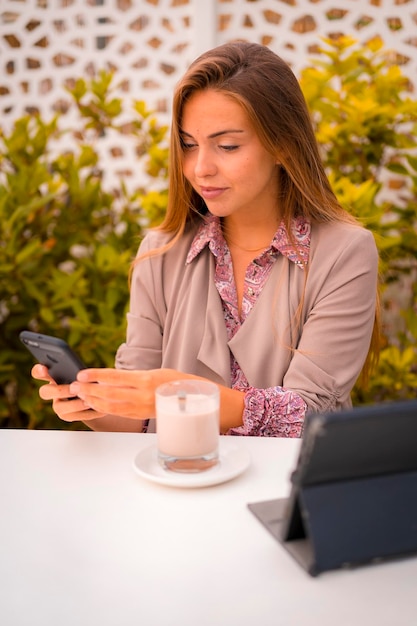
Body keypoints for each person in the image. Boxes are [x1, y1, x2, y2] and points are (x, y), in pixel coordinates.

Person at [32, 41, 379, 437]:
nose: (201, 169)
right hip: (179, 486)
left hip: (286, 489)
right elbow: (139, 420)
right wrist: (92, 405)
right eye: (188, 145)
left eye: (227, 146)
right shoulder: (159, 254)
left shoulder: (345, 251)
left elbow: (310, 412)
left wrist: (178, 394)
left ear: (282, 145)